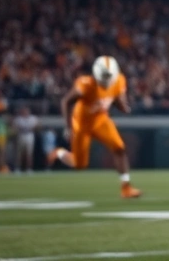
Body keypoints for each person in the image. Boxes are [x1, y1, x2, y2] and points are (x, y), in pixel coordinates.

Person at [49, 56, 141, 198]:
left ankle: (126, 188)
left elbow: (117, 98)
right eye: (104, 77)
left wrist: (124, 106)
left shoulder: (119, 80)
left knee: (119, 148)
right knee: (79, 165)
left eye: (108, 77)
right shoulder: (85, 84)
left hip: (101, 120)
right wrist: (68, 127)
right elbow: (66, 101)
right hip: (81, 124)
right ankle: (60, 153)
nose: (106, 81)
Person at [13, 105, 38, 174]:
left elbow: (37, 126)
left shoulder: (33, 118)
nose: (25, 112)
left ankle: (29, 168)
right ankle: (17, 168)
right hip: (21, 136)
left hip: (29, 136)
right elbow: (15, 127)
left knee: (29, 153)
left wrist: (30, 128)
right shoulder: (18, 119)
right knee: (19, 154)